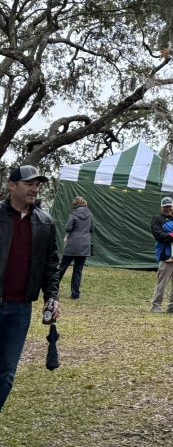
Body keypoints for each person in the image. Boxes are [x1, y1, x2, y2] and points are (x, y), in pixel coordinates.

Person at [1, 165, 60, 413]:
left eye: (37, 184)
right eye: (29, 183)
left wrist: (52, 298)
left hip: (20, 309)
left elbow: (51, 264)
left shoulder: (45, 223)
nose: (34, 189)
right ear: (12, 186)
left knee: (6, 374)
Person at [149, 196, 173, 314]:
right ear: (161, 207)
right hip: (165, 256)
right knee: (162, 283)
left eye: (169, 206)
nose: (168, 209)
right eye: (165, 207)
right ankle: (156, 306)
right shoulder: (157, 219)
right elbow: (159, 235)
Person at [57, 195, 93, 299]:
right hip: (84, 245)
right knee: (78, 270)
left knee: (62, 267)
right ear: (84, 203)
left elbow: (68, 227)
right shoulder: (90, 214)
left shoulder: (73, 214)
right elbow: (91, 228)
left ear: (75, 204)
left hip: (72, 244)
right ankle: (75, 294)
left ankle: (52, 288)